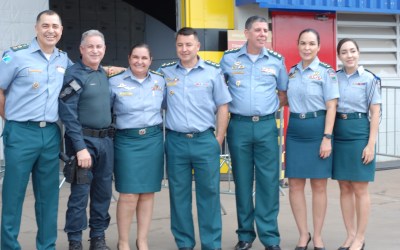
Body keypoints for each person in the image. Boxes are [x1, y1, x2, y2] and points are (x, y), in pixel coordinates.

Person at [0, 10, 71, 250]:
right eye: (46, 26)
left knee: (48, 198)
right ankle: (9, 246)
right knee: (14, 195)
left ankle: (47, 246)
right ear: (36, 28)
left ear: (61, 30)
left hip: (50, 134)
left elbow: (84, 73)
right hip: (21, 132)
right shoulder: (15, 56)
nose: (51, 30)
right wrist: (9, 119)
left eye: (55, 26)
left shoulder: (64, 59)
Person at [159, 27, 231, 250]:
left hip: (204, 141)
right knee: (178, 197)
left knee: (209, 196)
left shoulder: (212, 72)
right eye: (180, 45)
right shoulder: (165, 73)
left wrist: (218, 138)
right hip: (176, 141)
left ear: (198, 46)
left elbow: (223, 106)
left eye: (189, 44)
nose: (184, 49)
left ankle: (211, 245)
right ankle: (184, 244)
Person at [220, 15, 288, 250]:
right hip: (238, 126)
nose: (262, 34)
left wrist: (264, 111)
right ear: (246, 33)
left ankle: (270, 238)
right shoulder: (228, 59)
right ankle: (245, 235)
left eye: (265, 30)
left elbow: (283, 93)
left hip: (267, 127)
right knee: (242, 181)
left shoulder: (277, 60)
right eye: (257, 30)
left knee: (269, 182)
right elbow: (220, 91)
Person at [59, 30, 114, 250]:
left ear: (104, 49)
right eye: (90, 46)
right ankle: (75, 241)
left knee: (103, 193)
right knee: (80, 195)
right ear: (81, 49)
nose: (95, 50)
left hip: (105, 143)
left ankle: (97, 238)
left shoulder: (103, 74)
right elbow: (68, 112)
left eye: (99, 46)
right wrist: (80, 148)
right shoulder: (74, 75)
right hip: (83, 143)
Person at [285, 28, 339, 250]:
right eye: (303, 43)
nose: (306, 48)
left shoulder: (327, 72)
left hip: (318, 129)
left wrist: (327, 137)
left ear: (318, 47)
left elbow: (332, 106)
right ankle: (302, 234)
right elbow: (284, 100)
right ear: (298, 45)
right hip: (296, 130)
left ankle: (317, 235)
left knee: (319, 185)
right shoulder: (292, 72)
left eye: (311, 44)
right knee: (295, 185)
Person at [109, 43, 165, 250]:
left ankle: (142, 240)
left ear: (151, 61)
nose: (139, 62)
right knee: (129, 194)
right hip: (126, 141)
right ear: (129, 58)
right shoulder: (114, 82)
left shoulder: (160, 81)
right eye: (135, 57)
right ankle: (123, 241)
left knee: (148, 192)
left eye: (144, 58)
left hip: (152, 140)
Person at [333, 38, 381, 250]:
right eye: (344, 52)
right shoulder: (334, 77)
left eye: (352, 51)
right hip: (339, 134)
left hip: (360, 133)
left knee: (360, 187)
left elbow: (376, 113)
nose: (349, 55)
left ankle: (360, 238)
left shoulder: (369, 79)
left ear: (358, 53)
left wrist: (370, 144)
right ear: (339, 55)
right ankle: (350, 234)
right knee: (344, 186)